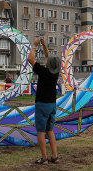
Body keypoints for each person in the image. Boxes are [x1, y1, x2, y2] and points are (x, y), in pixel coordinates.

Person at [28, 37, 61, 165]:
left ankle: (44, 158)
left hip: (42, 105)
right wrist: (45, 46)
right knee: (50, 130)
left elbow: (30, 59)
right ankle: (55, 156)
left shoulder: (43, 71)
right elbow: (49, 58)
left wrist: (35, 45)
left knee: (41, 132)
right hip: (52, 104)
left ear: (48, 65)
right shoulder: (55, 73)